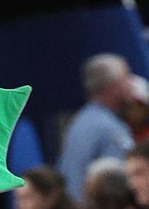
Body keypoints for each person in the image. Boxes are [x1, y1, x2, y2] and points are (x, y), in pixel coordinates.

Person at [56, 53, 134, 200]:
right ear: (112, 86)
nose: (131, 84)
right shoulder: (107, 128)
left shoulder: (79, 121)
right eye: (127, 78)